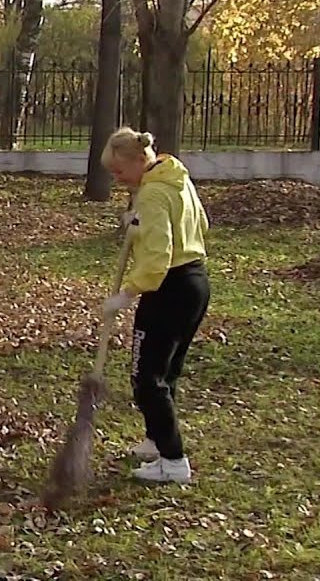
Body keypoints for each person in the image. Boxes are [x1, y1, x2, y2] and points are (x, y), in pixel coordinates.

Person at [100, 127, 210, 484]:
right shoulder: (177, 178)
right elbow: (200, 224)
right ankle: (155, 440)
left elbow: (158, 258)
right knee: (167, 371)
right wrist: (140, 226)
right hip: (195, 282)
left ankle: (174, 461)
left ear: (137, 160)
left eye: (119, 171)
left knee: (146, 377)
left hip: (168, 288)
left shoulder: (151, 194)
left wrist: (128, 292)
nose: (117, 180)